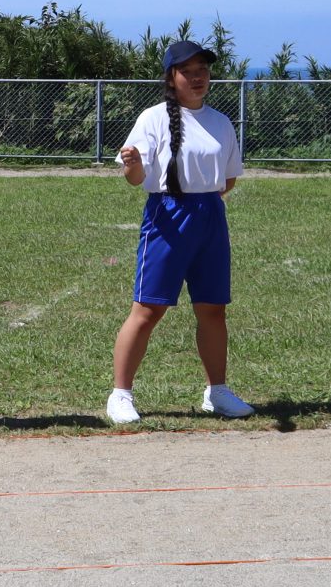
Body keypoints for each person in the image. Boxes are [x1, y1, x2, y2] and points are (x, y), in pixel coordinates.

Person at [106, 40, 253, 425]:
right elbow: (135, 178)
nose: (197, 77)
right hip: (168, 216)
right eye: (187, 71)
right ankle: (120, 394)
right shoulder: (153, 118)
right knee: (148, 308)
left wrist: (202, 202)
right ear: (171, 78)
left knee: (213, 308)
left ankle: (217, 391)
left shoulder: (221, 122)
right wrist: (132, 164)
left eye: (202, 70)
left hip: (210, 217)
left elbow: (228, 180)